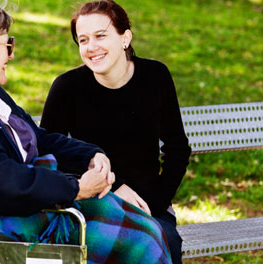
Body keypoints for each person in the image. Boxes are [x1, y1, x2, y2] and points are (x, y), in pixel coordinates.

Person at [0, 2, 172, 263]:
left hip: (29, 202)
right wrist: (76, 188)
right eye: (7, 44)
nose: (11, 54)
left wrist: (89, 155)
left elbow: (38, 138)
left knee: (148, 231)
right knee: (140, 241)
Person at [40, 1, 192, 263]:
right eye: (83, 40)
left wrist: (153, 204)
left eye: (101, 36)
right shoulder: (67, 88)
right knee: (100, 246)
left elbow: (177, 147)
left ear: (125, 38)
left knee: (162, 239)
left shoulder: (156, 76)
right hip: (94, 200)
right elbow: (48, 151)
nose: (91, 47)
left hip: (149, 201)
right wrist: (114, 185)